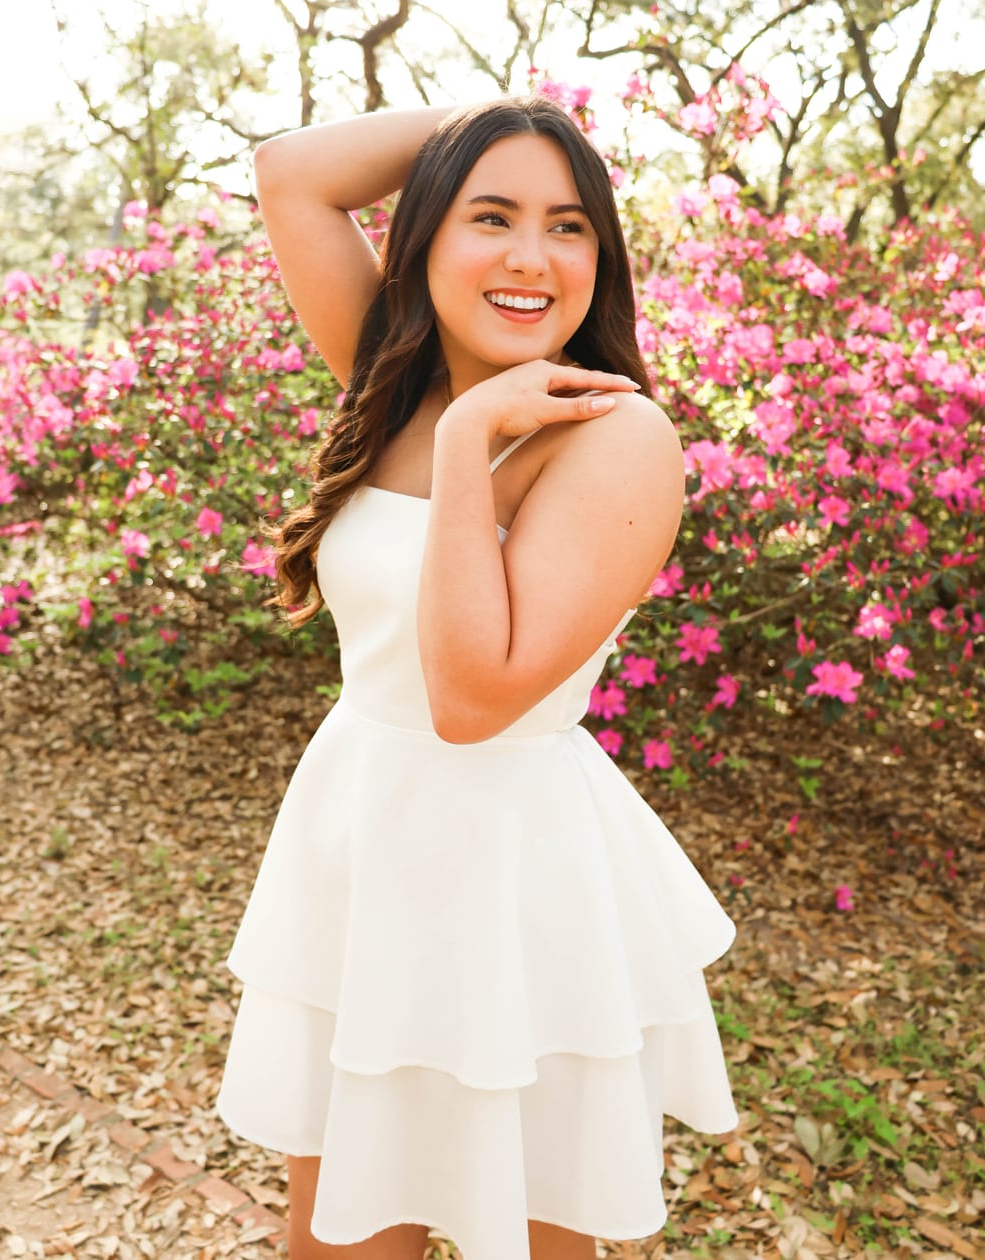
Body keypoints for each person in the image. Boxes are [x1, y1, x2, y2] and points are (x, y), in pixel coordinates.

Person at [214, 98, 738, 1260]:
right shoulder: (391, 378)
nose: (528, 258)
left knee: (535, 1237)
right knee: (339, 1238)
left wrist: (465, 448)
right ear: (423, 243)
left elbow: (472, 699)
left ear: (600, 261)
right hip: (365, 849)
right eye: (487, 216)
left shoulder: (615, 436)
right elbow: (291, 172)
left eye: (568, 228)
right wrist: (498, 119)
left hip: (515, 881)